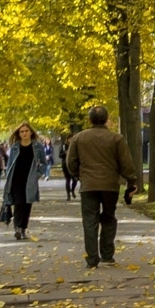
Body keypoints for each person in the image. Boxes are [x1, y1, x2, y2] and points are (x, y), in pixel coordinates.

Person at [63, 104, 140, 270]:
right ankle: (107, 255)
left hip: (88, 185)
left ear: (89, 120)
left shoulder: (78, 138)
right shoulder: (116, 139)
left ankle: (92, 258)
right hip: (110, 185)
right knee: (109, 218)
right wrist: (131, 181)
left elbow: (70, 162)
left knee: (89, 221)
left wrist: (79, 176)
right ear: (106, 120)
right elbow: (125, 163)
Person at [0, 123, 47, 240]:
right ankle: (17, 228)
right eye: (22, 132)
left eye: (26, 131)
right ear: (19, 134)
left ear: (31, 132)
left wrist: (37, 174)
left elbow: (44, 163)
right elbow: (10, 164)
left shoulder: (38, 147)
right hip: (15, 180)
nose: (24, 133)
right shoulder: (15, 147)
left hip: (30, 180)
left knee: (27, 204)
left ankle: (23, 229)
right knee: (18, 203)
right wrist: (7, 176)